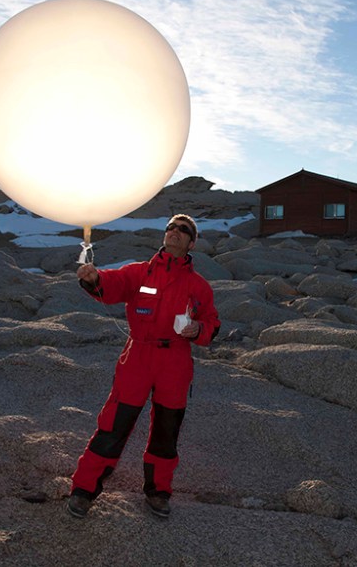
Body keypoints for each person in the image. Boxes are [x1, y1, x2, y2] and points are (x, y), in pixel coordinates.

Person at [67, 214, 220, 519]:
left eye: (183, 230)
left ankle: (158, 492)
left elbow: (212, 324)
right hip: (138, 356)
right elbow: (111, 285)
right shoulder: (140, 273)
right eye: (171, 228)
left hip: (175, 361)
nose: (175, 232)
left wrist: (198, 331)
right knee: (114, 425)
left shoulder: (198, 286)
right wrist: (94, 278)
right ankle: (83, 490)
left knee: (167, 431)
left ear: (192, 242)